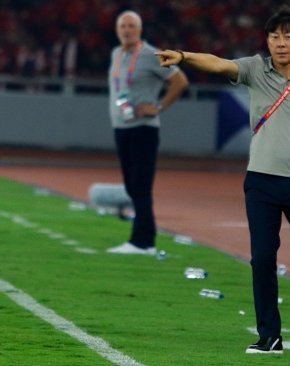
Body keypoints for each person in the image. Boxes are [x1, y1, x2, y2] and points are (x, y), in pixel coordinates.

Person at [157, 5, 290, 356]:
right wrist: (182, 56)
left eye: (288, 36)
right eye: (274, 36)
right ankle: (269, 335)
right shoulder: (255, 68)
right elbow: (218, 63)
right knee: (263, 258)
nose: (281, 43)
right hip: (261, 182)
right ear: (267, 41)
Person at [105, 10, 189, 255]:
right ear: (117, 30)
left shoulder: (151, 55)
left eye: (131, 26)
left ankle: (141, 242)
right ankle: (145, 240)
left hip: (143, 129)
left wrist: (159, 107)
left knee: (140, 186)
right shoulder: (116, 54)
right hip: (121, 127)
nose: (127, 30)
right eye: (123, 26)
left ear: (140, 30)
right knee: (132, 187)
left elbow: (180, 81)